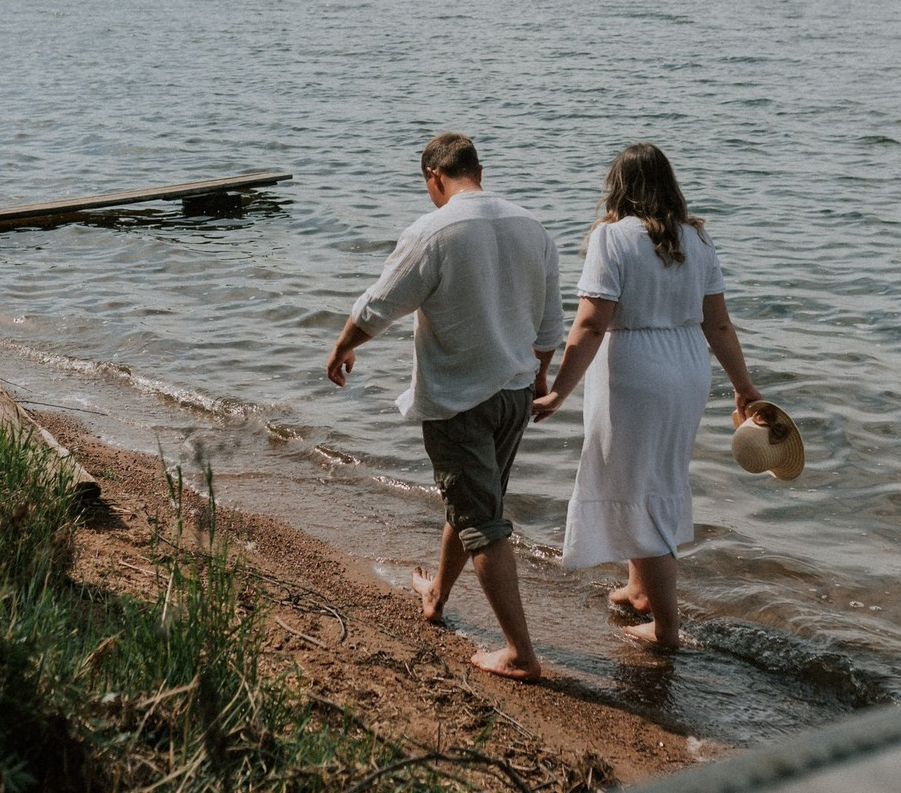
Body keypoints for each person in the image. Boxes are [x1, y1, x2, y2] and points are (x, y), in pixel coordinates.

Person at [325, 133, 563, 680]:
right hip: (513, 394)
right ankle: (436, 596)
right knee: (475, 501)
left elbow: (378, 305)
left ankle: (521, 653)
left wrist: (342, 348)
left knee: (482, 519)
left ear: (434, 176)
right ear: (479, 170)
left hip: (460, 400)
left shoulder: (433, 231)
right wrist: (539, 376)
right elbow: (550, 326)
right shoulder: (533, 227)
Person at [533, 143, 761, 650]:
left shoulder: (611, 238)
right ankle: (640, 589)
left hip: (634, 370)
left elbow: (591, 325)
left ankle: (666, 629)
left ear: (618, 187)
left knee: (640, 486)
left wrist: (558, 393)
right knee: (655, 477)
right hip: (687, 368)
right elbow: (719, 324)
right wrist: (743, 385)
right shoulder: (696, 238)